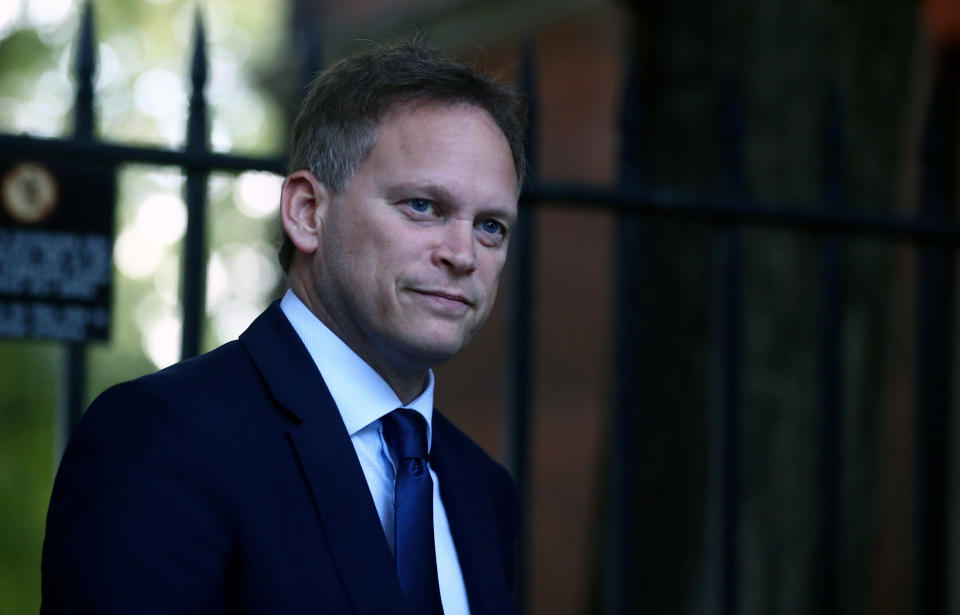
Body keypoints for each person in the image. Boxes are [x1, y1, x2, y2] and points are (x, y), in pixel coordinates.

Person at [41, 38, 526, 615]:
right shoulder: (163, 439)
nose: (463, 253)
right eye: (423, 205)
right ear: (306, 212)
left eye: (491, 226)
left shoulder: (483, 491)